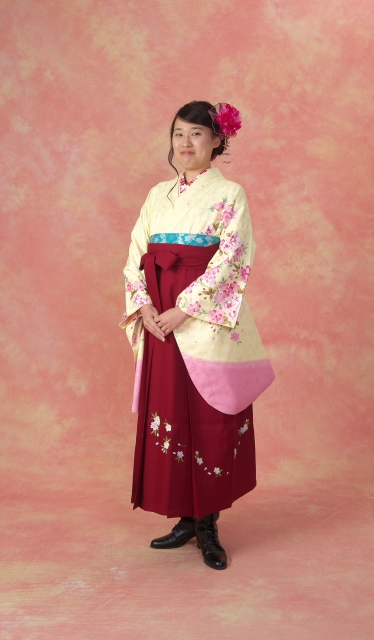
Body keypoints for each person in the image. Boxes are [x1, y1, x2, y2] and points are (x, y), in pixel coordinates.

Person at [119, 100, 275, 570]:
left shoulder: (230, 195)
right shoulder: (157, 195)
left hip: (200, 318)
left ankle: (208, 524)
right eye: (179, 134)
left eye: (196, 134)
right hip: (159, 316)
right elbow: (136, 253)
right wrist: (144, 305)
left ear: (217, 141)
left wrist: (182, 310)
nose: (185, 143)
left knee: (209, 417)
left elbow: (233, 258)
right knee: (170, 410)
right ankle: (185, 518)